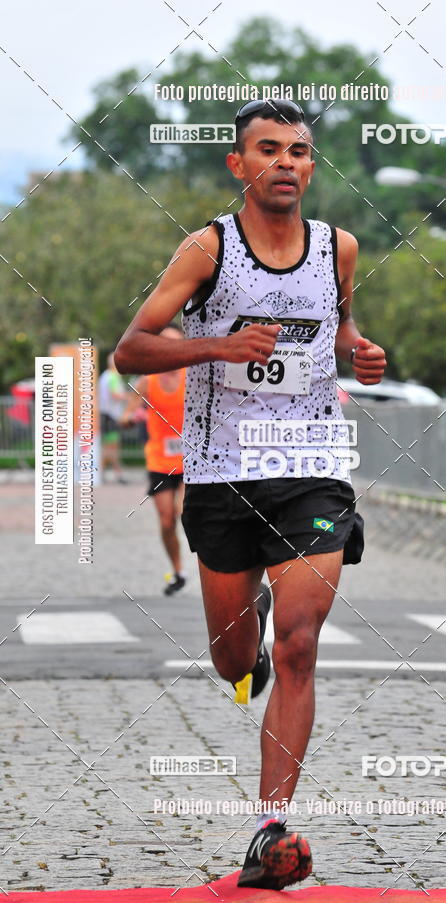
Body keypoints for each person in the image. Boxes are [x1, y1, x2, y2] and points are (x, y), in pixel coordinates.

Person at [115, 98, 386, 890]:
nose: (284, 163)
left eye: (297, 151)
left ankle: (271, 829)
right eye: (267, 150)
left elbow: (340, 326)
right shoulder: (209, 248)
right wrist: (218, 346)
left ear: (312, 166)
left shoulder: (338, 247)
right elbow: (131, 348)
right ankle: (248, 632)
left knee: (300, 642)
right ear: (239, 164)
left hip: (311, 464)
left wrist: (359, 351)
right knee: (235, 659)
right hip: (221, 472)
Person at [121, 326, 187, 595]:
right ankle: (178, 571)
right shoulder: (147, 381)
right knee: (167, 521)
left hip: (192, 459)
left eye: (176, 343)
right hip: (160, 460)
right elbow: (125, 416)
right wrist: (131, 418)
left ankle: (211, 566)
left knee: (184, 511)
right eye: (165, 343)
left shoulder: (193, 375)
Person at [98, 352, 129, 482]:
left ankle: (102, 473)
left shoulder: (105, 376)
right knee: (112, 447)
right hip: (111, 415)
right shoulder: (112, 376)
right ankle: (116, 474)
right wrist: (130, 397)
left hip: (106, 414)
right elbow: (115, 394)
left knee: (109, 446)